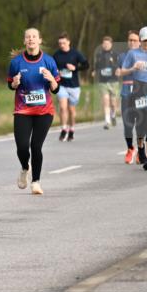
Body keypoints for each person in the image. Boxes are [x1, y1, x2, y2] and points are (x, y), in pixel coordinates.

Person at [8, 28, 61, 195]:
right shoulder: (16, 62)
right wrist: (15, 83)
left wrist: (52, 80)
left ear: (40, 40)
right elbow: (10, 85)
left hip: (44, 111)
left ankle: (36, 182)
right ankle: (25, 167)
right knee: (22, 147)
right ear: (24, 41)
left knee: (36, 146)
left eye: (34, 37)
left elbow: (56, 89)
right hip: (23, 110)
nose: (31, 39)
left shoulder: (49, 61)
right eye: (28, 37)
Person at [119, 26, 147, 171]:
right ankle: (140, 147)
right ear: (141, 41)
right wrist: (133, 69)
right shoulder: (132, 54)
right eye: (144, 41)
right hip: (137, 91)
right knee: (140, 125)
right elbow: (121, 71)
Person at [52, 33, 89, 142]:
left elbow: (86, 65)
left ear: (68, 42)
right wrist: (56, 72)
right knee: (63, 107)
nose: (61, 45)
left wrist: (75, 68)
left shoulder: (75, 53)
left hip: (74, 86)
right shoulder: (56, 55)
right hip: (61, 85)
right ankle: (64, 129)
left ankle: (71, 129)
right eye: (59, 43)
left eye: (63, 43)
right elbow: (51, 67)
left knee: (72, 110)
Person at [120, 30, 141, 164]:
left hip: (141, 92)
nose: (132, 42)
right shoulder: (122, 56)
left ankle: (141, 150)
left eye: (135, 40)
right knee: (128, 124)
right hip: (126, 92)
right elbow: (119, 71)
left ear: (139, 42)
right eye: (130, 40)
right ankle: (130, 148)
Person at [92, 35, 122, 129]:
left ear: (111, 44)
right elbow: (97, 65)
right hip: (103, 81)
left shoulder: (115, 54)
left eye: (107, 44)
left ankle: (113, 115)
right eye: (104, 44)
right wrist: (94, 71)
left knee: (113, 103)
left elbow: (120, 65)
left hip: (113, 81)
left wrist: (119, 69)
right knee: (106, 101)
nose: (105, 45)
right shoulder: (99, 54)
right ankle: (107, 121)